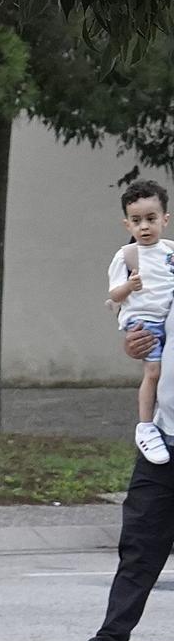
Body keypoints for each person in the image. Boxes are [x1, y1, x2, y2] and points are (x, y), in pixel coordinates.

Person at [57, 320, 174, 641]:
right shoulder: (166, 279)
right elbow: (150, 331)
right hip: (163, 439)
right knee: (140, 542)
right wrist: (139, 342)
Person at [105, 179, 174, 465]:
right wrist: (128, 289)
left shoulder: (169, 251)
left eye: (151, 219)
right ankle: (146, 426)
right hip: (147, 321)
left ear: (165, 220)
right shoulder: (127, 255)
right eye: (137, 220)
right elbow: (115, 293)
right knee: (153, 372)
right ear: (127, 225)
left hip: (162, 317)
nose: (144, 226)